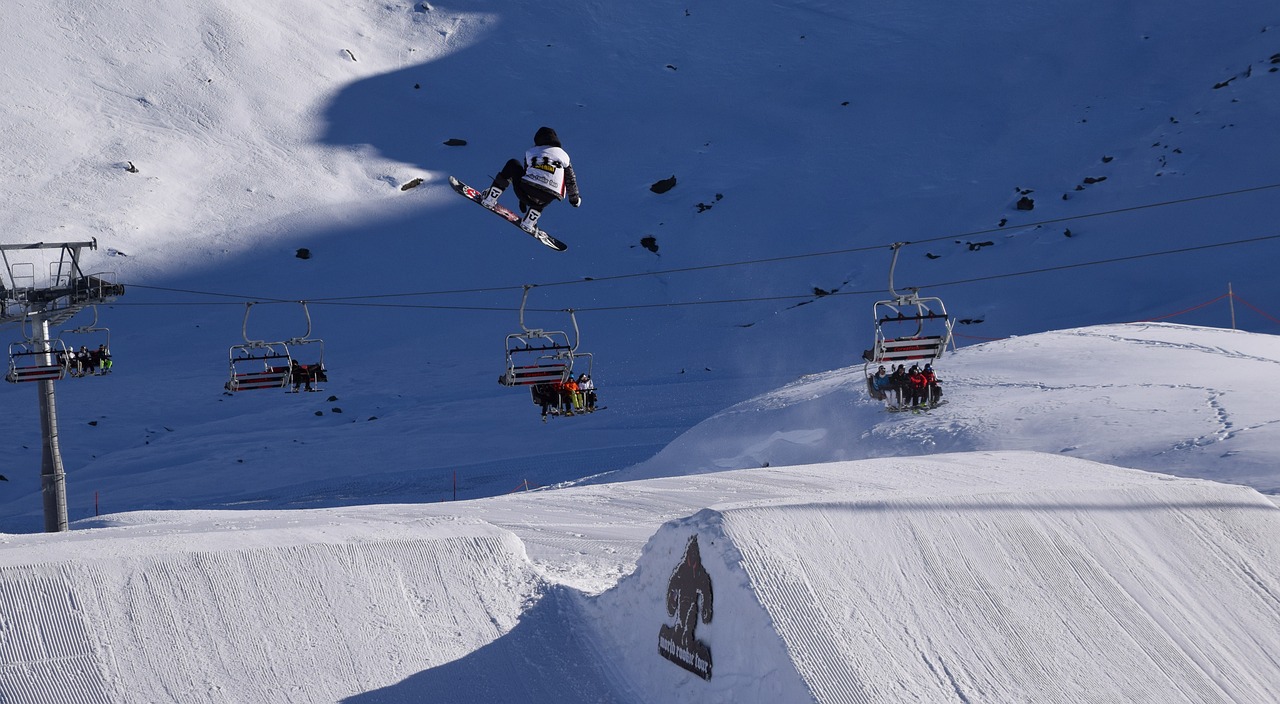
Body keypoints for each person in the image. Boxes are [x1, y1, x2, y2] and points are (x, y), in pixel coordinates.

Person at [480, 126, 581, 233]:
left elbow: (525, 175)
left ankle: (490, 198)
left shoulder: (532, 152)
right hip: (547, 198)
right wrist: (574, 200)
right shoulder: (564, 156)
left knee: (513, 164)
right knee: (547, 186)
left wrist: (522, 200)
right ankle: (530, 220)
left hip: (527, 190)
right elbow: (571, 180)